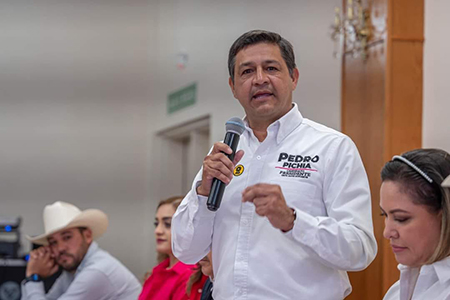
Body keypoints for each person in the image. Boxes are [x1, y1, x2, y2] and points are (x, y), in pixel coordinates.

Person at [171, 29, 377, 299]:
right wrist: (202, 194)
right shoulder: (222, 155)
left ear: (293, 77)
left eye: (271, 68)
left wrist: (293, 221)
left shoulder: (332, 147)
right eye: (246, 72)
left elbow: (360, 250)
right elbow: (185, 250)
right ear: (233, 87)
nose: (259, 79)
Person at [21, 201, 141, 300]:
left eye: (67, 237)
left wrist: (33, 278)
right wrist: (31, 279)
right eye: (53, 242)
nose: (61, 248)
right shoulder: (73, 270)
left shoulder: (97, 271)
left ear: (88, 236)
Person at [380, 149, 450, 300]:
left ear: (444, 215)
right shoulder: (396, 292)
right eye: (384, 215)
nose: (387, 232)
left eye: (400, 218)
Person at [139, 196, 196, 300]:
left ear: (189, 227)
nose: (158, 231)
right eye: (156, 224)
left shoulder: (190, 275)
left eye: (167, 224)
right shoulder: (158, 271)